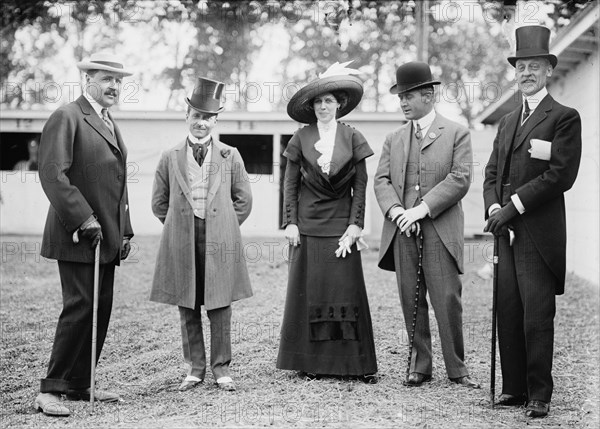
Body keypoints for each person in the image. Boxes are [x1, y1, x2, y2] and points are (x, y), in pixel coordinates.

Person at [483, 25, 582, 418]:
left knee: (536, 314)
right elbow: (492, 173)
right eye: (521, 66)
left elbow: (560, 175)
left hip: (538, 234)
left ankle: (540, 393)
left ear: (548, 70)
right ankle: (515, 388)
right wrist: (494, 209)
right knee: (508, 309)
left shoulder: (563, 118)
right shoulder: (507, 121)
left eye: (534, 66)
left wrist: (514, 206)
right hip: (504, 229)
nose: (526, 73)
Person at [35, 52, 134, 416]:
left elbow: (119, 182)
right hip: (77, 234)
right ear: (86, 80)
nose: (114, 86)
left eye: (119, 80)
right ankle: (50, 389)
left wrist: (124, 231)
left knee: (100, 308)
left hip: (106, 236)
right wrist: (82, 219)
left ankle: (79, 384)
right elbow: (51, 173)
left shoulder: (108, 122)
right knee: (80, 307)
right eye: (107, 78)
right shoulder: (67, 116)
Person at [374, 61, 479, 389]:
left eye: (408, 95)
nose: (403, 102)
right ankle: (420, 365)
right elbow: (381, 180)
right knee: (410, 300)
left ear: (429, 95)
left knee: (447, 300)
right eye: (399, 96)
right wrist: (396, 212)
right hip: (402, 230)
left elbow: (460, 178)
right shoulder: (394, 138)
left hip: (440, 230)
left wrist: (420, 210)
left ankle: (457, 369)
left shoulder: (457, 132)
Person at [276, 62, 378, 382]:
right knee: (312, 293)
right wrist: (290, 222)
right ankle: (311, 362)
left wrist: (355, 225)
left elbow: (360, 187)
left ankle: (356, 364)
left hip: (341, 229)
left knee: (345, 294)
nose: (323, 106)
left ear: (340, 105)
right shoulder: (301, 137)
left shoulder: (353, 137)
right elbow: (289, 185)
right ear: (312, 107)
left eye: (329, 101)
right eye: (318, 102)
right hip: (307, 227)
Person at [150, 77, 252, 392]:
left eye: (208, 118)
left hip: (218, 238)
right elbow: (159, 202)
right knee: (188, 303)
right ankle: (195, 368)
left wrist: (222, 226)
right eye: (197, 116)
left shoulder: (229, 155)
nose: (202, 123)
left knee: (220, 304)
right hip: (183, 237)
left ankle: (222, 368)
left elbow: (243, 200)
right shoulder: (170, 156)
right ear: (187, 117)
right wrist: (182, 224)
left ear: (215, 121)